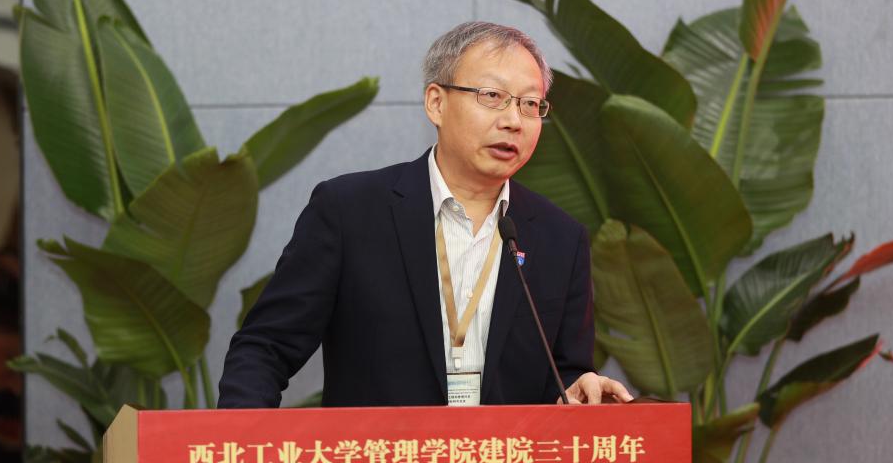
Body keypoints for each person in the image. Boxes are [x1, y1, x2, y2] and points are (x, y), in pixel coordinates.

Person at [218, 22, 631, 408]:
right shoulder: (349, 212)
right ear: (436, 103)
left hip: (503, 462)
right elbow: (265, 349)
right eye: (492, 96)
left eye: (530, 104)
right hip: (381, 459)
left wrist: (577, 389)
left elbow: (565, 373)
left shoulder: (561, 238)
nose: (513, 121)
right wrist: (244, 445)